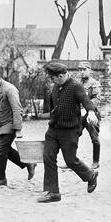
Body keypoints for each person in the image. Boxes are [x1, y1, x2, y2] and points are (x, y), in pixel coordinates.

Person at [38, 62, 99, 203]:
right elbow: (54, 107)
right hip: (53, 129)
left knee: (70, 161)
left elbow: (86, 100)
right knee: (48, 157)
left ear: (60, 76)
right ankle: (53, 193)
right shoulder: (56, 86)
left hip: (70, 130)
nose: (51, 80)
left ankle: (91, 176)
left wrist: (91, 112)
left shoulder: (75, 86)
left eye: (52, 78)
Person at [0, 72, 37, 188]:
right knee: (6, 150)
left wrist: (18, 129)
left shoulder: (10, 89)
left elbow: (17, 109)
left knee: (0, 150)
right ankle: (28, 163)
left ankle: (0, 178)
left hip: (9, 124)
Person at [78, 61, 101, 169]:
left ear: (89, 70)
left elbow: (96, 99)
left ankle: (96, 161)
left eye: (84, 69)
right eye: (80, 70)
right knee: (73, 136)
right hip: (79, 114)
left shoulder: (94, 84)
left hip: (91, 114)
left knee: (94, 138)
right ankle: (72, 160)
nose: (82, 72)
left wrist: (87, 109)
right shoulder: (77, 84)